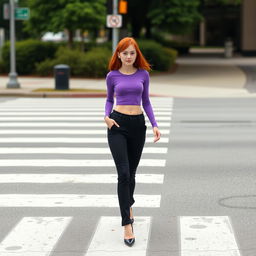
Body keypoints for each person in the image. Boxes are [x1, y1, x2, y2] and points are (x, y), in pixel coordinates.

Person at [104, 37, 161, 247]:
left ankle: (128, 205)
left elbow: (145, 100)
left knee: (133, 174)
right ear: (118, 54)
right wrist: (106, 117)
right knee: (124, 174)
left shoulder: (143, 75)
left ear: (137, 55)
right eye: (125, 53)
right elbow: (110, 98)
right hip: (117, 125)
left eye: (132, 53)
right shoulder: (112, 76)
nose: (129, 56)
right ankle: (127, 223)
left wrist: (154, 124)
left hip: (138, 125)